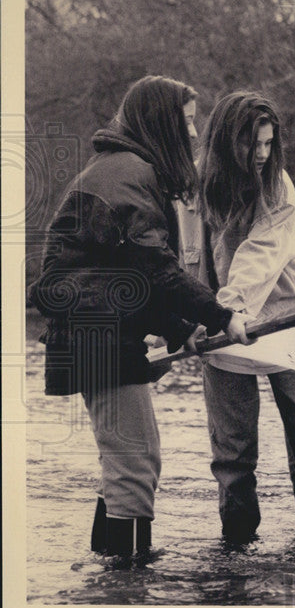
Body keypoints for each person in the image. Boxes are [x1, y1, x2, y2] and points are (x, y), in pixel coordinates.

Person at [28, 75, 251, 565]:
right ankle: (127, 579)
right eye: (188, 122)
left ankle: (109, 567)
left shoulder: (128, 170)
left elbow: (132, 277)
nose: (194, 134)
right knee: (132, 463)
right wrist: (220, 314)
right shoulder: (125, 174)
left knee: (134, 457)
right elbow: (157, 270)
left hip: (101, 328)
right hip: (94, 333)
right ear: (162, 122)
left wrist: (182, 329)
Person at [197, 90, 295, 543]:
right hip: (221, 331)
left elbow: (259, 255)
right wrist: (187, 320)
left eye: (268, 144)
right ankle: (236, 553)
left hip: (288, 324)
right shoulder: (198, 186)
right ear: (226, 142)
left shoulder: (280, 186)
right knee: (233, 456)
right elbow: (188, 258)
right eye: (252, 145)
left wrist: (229, 309)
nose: (261, 154)